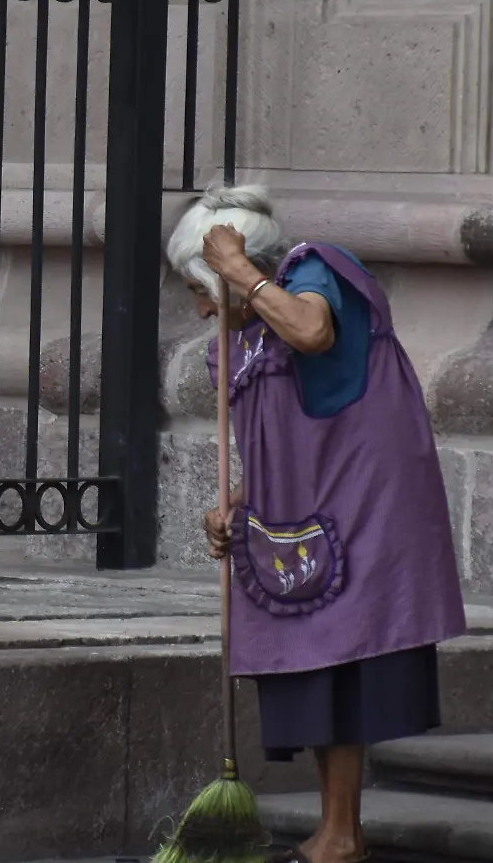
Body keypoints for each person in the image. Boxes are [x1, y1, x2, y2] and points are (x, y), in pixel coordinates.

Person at [165, 184, 467, 863]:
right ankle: (340, 835)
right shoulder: (240, 340)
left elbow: (312, 331)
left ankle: (339, 835)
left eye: (200, 288)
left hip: (368, 502)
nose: (203, 307)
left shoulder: (314, 271)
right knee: (316, 660)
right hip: (305, 511)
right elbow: (283, 440)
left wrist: (237, 269)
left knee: (346, 656)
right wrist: (237, 502)